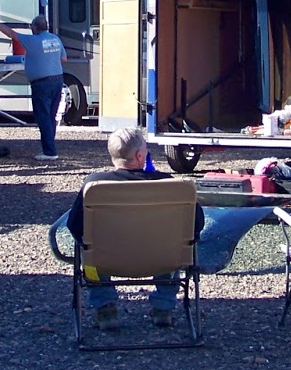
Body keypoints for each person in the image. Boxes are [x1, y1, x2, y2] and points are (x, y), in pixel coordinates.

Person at [67, 126, 203, 330]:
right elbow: (196, 224)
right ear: (140, 155)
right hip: (163, 259)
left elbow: (74, 226)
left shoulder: (94, 185)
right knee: (174, 241)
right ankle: (163, 308)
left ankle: (105, 308)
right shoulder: (172, 186)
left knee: (89, 246)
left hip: (106, 260)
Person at [0, 15, 66, 160]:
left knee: (43, 117)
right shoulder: (55, 39)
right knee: (51, 116)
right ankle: (50, 147)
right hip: (58, 79)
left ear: (35, 27)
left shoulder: (32, 40)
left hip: (42, 83)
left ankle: (50, 152)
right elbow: (64, 59)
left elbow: (11, 34)